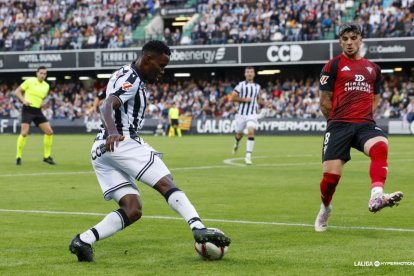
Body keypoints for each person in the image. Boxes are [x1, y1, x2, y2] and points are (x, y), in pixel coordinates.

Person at [69, 40, 231, 262]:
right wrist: (113, 132)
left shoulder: (123, 74)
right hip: (121, 142)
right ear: (147, 60)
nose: (162, 71)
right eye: (161, 66)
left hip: (100, 150)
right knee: (166, 181)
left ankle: (84, 240)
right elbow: (107, 105)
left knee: (132, 209)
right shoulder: (132, 79)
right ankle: (198, 227)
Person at [314, 23, 404, 232]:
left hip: (364, 125)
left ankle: (376, 195)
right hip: (338, 125)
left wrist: (364, 115)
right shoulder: (332, 65)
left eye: (353, 38)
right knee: (331, 179)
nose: (349, 43)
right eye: (345, 39)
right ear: (340, 42)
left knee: (381, 145)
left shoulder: (373, 69)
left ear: (361, 40)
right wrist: (335, 122)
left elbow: (375, 98)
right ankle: (325, 208)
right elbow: (324, 101)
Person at [15, 66, 56, 165]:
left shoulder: (46, 86)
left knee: (49, 132)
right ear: (37, 73)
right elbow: (17, 91)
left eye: (44, 74)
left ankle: (46, 156)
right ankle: (18, 157)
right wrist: (24, 100)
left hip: (38, 111)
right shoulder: (30, 81)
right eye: (41, 73)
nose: (43, 75)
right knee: (24, 133)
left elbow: (42, 98)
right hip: (27, 109)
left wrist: (42, 104)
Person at [231, 66, 263, 165]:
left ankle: (248, 156)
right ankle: (236, 143)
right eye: (248, 72)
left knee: (250, 131)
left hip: (252, 114)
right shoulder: (240, 85)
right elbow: (233, 97)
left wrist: (265, 104)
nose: (249, 73)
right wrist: (244, 100)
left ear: (254, 74)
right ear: (245, 74)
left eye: (251, 72)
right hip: (241, 114)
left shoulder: (257, 87)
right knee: (239, 134)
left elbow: (258, 99)